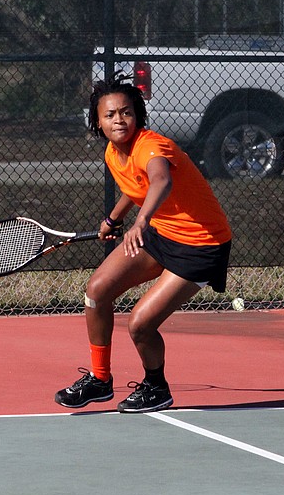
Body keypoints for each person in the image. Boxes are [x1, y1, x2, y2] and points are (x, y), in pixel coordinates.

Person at [54, 76, 232, 414]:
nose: (118, 120)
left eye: (126, 113)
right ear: (97, 121)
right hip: (160, 233)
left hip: (199, 243)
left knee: (140, 323)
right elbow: (136, 187)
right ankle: (99, 379)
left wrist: (141, 221)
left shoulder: (152, 146)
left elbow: (160, 180)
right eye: (109, 115)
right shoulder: (113, 152)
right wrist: (114, 218)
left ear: (138, 116)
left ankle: (156, 387)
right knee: (97, 291)